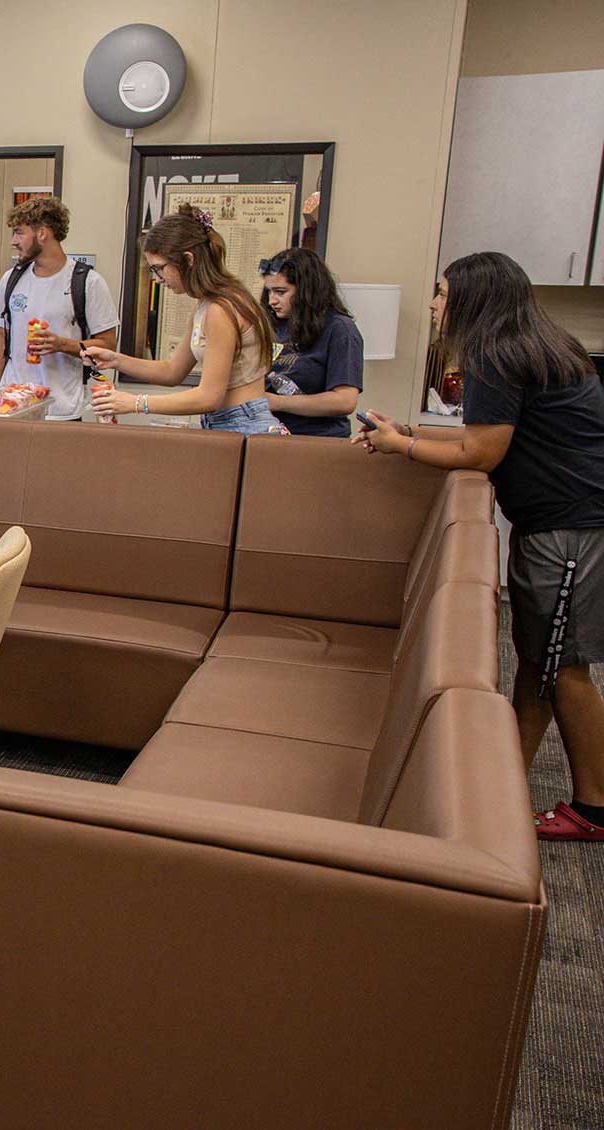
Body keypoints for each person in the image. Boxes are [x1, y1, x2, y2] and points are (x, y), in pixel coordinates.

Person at [356, 251, 604, 843]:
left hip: (568, 531)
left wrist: (399, 448)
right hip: (567, 524)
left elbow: (481, 454)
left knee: (561, 669)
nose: (436, 304)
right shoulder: (537, 345)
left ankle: (595, 808)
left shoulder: (494, 356)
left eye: (441, 293)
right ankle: (505, 788)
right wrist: (413, 432)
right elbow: (486, 435)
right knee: (541, 664)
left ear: (472, 298)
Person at [84, 204, 281, 434]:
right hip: (226, 422)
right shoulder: (206, 305)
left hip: (243, 424)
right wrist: (116, 360)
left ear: (188, 260)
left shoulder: (221, 309)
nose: (157, 279)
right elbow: (173, 370)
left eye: (159, 269)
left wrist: (135, 403)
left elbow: (209, 396)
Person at [0, 195, 118, 420]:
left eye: (19, 232)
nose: (13, 241)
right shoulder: (11, 279)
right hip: (13, 407)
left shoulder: (88, 282)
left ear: (42, 233)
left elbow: (108, 345)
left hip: (62, 411)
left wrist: (61, 344)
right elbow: (1, 335)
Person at [259, 247, 364, 437]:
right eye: (269, 292)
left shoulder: (340, 329)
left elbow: (345, 401)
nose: (271, 301)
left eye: (280, 292)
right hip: (269, 436)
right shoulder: (272, 326)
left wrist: (278, 402)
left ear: (306, 290)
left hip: (316, 440)